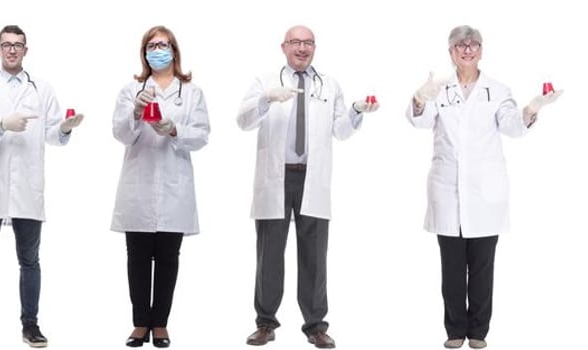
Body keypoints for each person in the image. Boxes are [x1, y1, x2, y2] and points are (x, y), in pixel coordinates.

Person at [407, 25, 562, 350]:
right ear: (450, 52)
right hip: (447, 190)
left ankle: (478, 331)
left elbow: (512, 127)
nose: (467, 50)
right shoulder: (440, 88)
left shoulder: (498, 90)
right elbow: (419, 121)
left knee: (481, 267)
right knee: (451, 269)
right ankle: (454, 330)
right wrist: (421, 98)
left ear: (481, 50)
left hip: (485, 194)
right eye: (460, 46)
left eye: (473, 45)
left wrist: (532, 108)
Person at [236, 25, 378, 349]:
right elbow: (243, 121)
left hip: (311, 178)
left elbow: (340, 130)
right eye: (296, 42)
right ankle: (265, 323)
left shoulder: (329, 85)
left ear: (315, 47)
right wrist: (265, 99)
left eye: (308, 43)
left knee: (315, 256)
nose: (302, 48)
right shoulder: (265, 81)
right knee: (269, 254)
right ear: (283, 46)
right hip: (276, 178)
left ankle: (315, 325)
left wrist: (356, 110)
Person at [0, 24, 77, 349]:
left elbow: (52, 135)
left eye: (17, 45)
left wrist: (64, 128)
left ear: (26, 50)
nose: (11, 50)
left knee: (30, 260)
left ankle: (31, 325)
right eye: (6, 44)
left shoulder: (42, 89)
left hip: (27, 188)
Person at [110, 25, 210, 349]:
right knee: (137, 257)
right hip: (138, 184)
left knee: (168, 257)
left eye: (163, 45)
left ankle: (161, 325)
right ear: (144, 52)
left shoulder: (191, 92)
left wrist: (174, 129)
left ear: (174, 51)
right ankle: (140, 323)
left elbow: (202, 135)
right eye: (151, 45)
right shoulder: (131, 90)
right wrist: (136, 113)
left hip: (174, 186)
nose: (157, 50)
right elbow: (121, 134)